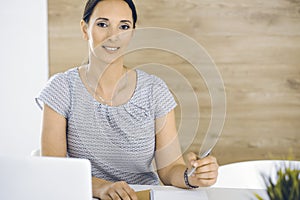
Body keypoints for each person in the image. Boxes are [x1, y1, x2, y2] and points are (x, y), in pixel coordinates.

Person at [36, 0, 219, 199]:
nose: (113, 36)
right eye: (102, 24)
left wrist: (191, 176)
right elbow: (55, 168)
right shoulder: (62, 88)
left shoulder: (154, 91)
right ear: (85, 29)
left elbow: (170, 169)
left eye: (123, 26)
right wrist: (99, 187)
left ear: (132, 33)